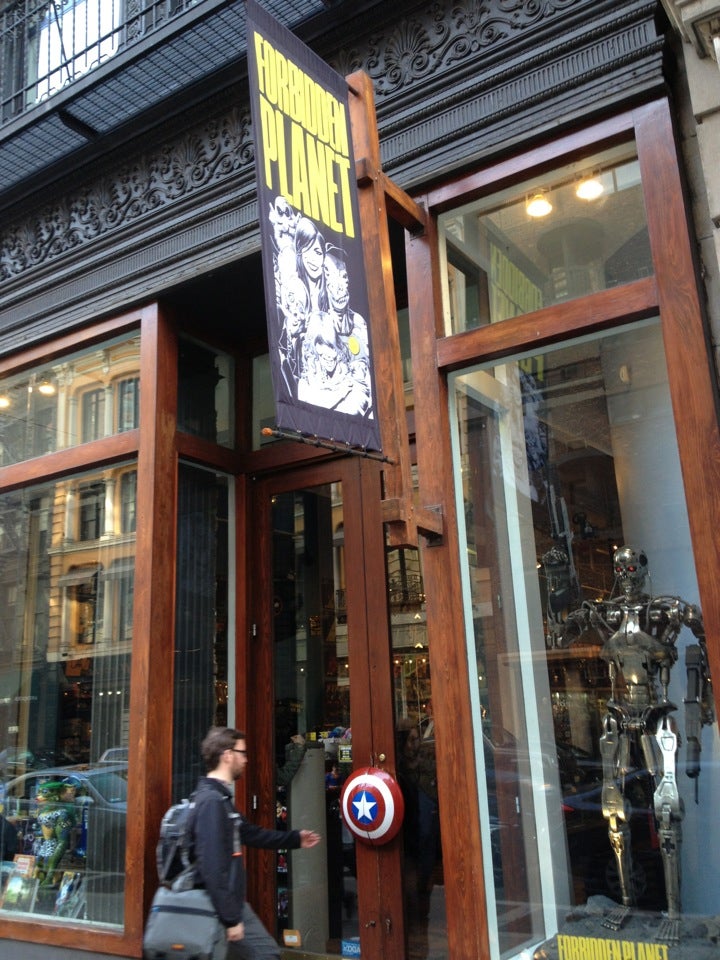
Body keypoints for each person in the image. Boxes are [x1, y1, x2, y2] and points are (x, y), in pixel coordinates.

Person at [191, 726, 321, 959]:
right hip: (219, 906)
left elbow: (251, 833)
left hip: (226, 905)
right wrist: (231, 919)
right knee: (266, 954)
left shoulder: (219, 799)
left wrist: (294, 838)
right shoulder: (211, 802)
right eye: (242, 753)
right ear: (227, 755)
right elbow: (211, 867)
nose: (246, 759)